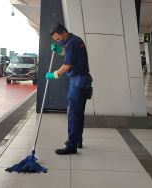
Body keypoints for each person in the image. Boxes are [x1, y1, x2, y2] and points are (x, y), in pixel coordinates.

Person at [46, 23, 93, 155]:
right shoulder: (75, 40)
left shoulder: (71, 43)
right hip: (83, 81)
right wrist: (59, 50)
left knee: (73, 114)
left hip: (78, 82)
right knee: (78, 114)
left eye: (58, 39)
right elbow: (72, 56)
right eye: (56, 40)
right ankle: (78, 140)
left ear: (64, 33)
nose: (58, 41)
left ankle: (71, 145)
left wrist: (54, 74)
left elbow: (67, 65)